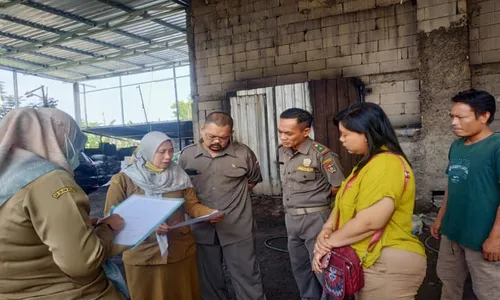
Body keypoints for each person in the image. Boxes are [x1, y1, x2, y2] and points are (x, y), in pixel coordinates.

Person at [0, 107, 125, 300]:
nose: (76, 152)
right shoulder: (50, 180)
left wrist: (77, 225)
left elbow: (19, 232)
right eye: (74, 145)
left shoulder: (8, 178)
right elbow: (82, 263)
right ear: (53, 138)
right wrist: (107, 229)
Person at [312, 102, 426, 300]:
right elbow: (341, 205)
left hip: (386, 261)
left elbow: (371, 221)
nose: (341, 140)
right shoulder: (365, 165)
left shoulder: (386, 163)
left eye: (346, 134)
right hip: (370, 260)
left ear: (367, 132)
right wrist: (326, 230)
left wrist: (327, 244)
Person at [104, 131, 222, 300]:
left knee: (182, 294)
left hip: (179, 251)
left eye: (171, 151)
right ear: (148, 151)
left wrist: (209, 213)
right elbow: (110, 219)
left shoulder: (179, 176)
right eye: (161, 152)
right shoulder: (123, 180)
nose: (168, 157)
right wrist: (148, 225)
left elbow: (192, 206)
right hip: (142, 254)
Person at [178, 112, 266, 300]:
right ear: (202, 129)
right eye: (211, 136)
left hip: (237, 226)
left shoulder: (243, 153)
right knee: (209, 280)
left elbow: (252, 181)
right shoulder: (187, 155)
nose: (217, 141)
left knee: (247, 277)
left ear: (231, 133)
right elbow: (182, 191)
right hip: (201, 229)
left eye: (224, 138)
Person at [430, 89, 500, 300]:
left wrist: (496, 237)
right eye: (452, 116)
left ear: (484, 116)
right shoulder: (457, 145)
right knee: (449, 283)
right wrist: (440, 218)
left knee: (488, 291)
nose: (454, 122)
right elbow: (452, 182)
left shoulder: (496, 147)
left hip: (482, 237)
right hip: (453, 233)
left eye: (460, 117)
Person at [277, 108, 345, 300]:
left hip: (316, 219)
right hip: (291, 218)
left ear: (306, 132)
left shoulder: (322, 155)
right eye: (280, 131)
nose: (283, 136)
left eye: (288, 133)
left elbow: (339, 187)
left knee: (323, 268)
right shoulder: (282, 151)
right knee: (301, 269)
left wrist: (318, 201)